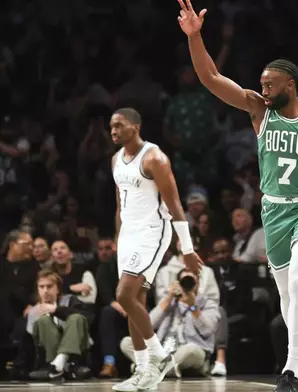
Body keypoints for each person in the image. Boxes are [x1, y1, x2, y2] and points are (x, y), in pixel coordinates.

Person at [176, 1, 298, 390]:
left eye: (269, 85)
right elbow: (210, 77)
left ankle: (293, 369)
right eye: (261, 85)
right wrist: (195, 37)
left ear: (290, 85)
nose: (262, 90)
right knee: (286, 296)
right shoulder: (259, 112)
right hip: (274, 211)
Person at [110, 107, 204, 392]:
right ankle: (142, 371)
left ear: (135, 127)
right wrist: (118, 238)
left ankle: (159, 356)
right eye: (111, 127)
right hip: (129, 234)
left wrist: (186, 248)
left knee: (124, 294)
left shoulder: (155, 158)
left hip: (153, 232)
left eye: (119, 126)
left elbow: (175, 205)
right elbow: (120, 205)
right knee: (134, 300)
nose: (113, 131)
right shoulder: (116, 159)